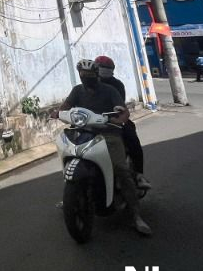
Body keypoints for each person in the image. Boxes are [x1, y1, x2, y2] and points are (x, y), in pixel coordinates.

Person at [59, 58, 152, 236]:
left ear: (96, 75)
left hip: (109, 133)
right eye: (83, 74)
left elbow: (123, 111)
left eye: (89, 74)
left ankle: (136, 215)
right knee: (71, 156)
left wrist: (119, 119)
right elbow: (66, 106)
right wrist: (58, 112)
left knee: (121, 170)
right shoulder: (77, 90)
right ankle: (72, 196)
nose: (86, 77)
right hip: (83, 131)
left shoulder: (110, 90)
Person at [94, 55, 151, 191]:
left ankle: (139, 175)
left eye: (106, 67)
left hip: (114, 119)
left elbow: (120, 104)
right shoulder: (90, 83)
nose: (103, 70)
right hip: (92, 120)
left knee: (132, 139)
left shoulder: (117, 85)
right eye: (101, 67)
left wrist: (116, 116)